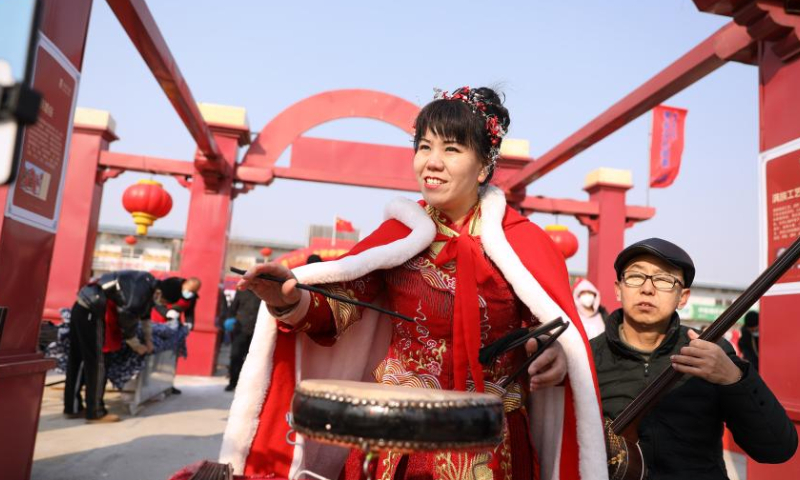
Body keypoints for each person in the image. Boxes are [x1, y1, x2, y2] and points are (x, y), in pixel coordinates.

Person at [220, 87, 606, 479]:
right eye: (424, 147)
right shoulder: (399, 236)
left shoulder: (522, 242)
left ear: (483, 167)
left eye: (451, 149)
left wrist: (555, 354)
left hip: (491, 440)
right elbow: (341, 305)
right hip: (397, 435)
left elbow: (552, 330)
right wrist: (288, 299)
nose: (432, 162)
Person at [591, 238, 797, 479]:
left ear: (683, 297)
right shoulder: (587, 358)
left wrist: (734, 378)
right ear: (618, 288)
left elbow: (777, 448)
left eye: (664, 280)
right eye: (636, 276)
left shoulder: (711, 351)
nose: (647, 288)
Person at [63, 271, 184, 423]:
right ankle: (95, 412)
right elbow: (127, 324)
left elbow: (145, 315)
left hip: (82, 307)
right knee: (98, 363)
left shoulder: (148, 283)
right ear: (159, 293)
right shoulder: (139, 295)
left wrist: (148, 340)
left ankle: (72, 408)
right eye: (164, 302)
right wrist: (136, 345)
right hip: (94, 313)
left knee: (78, 359)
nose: (163, 305)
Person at [224, 288, 261, 392]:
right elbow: (233, 308)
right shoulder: (242, 291)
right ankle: (233, 382)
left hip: (257, 331)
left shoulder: (264, 292)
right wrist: (229, 321)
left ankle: (248, 386)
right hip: (240, 329)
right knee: (235, 356)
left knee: (253, 359)